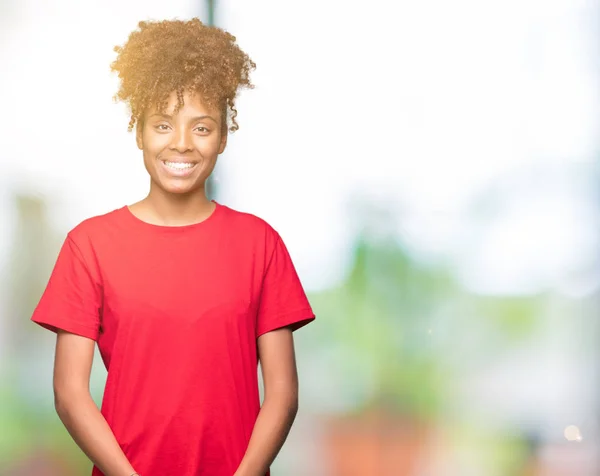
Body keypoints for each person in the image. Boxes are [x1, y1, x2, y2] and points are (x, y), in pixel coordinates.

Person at [30, 18, 315, 476]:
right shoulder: (89, 246)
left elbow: (282, 395)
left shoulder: (261, 244)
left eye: (201, 128)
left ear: (223, 137)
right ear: (139, 131)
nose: (181, 143)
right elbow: (69, 393)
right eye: (163, 124)